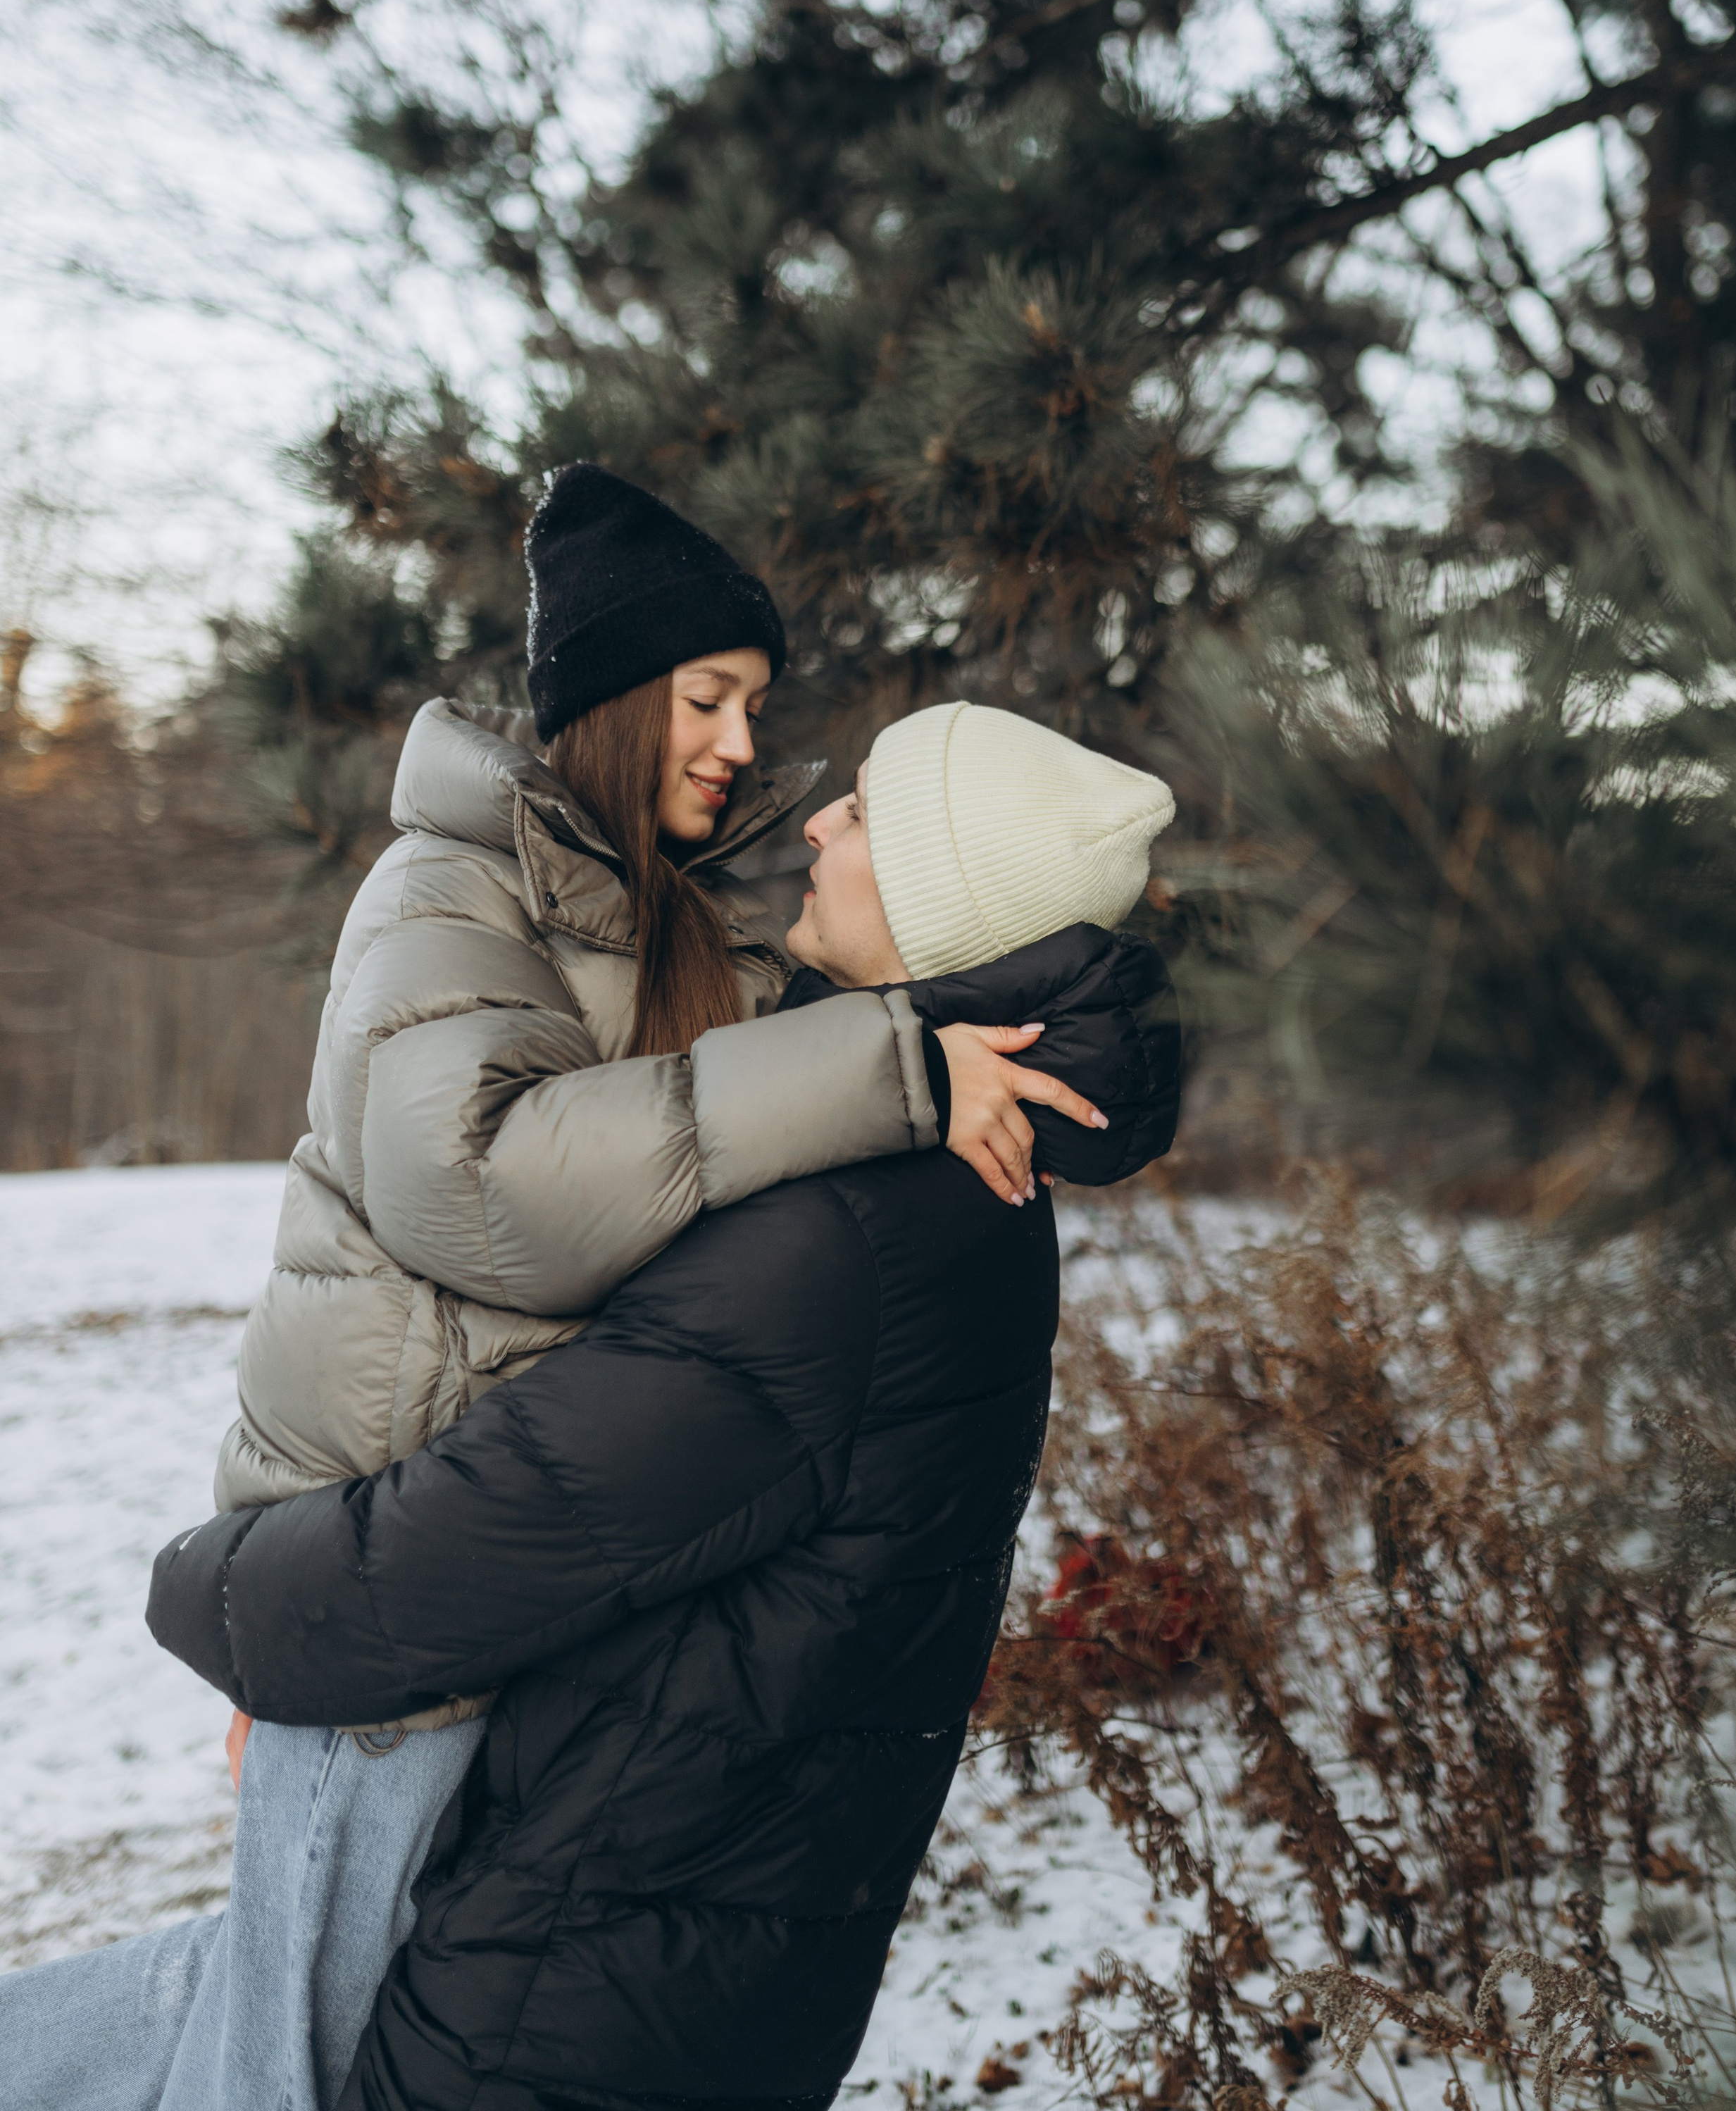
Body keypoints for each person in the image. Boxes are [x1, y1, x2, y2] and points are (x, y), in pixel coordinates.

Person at [0, 473, 1114, 2111]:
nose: (743, 743)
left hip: (508, 1584)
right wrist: (883, 1062)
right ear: (608, 700)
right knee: (269, 2059)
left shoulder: (689, 920)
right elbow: (482, 1189)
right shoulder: (446, 892)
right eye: (706, 698)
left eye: (755, 701)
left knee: (267, 2017)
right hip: (373, 1567)